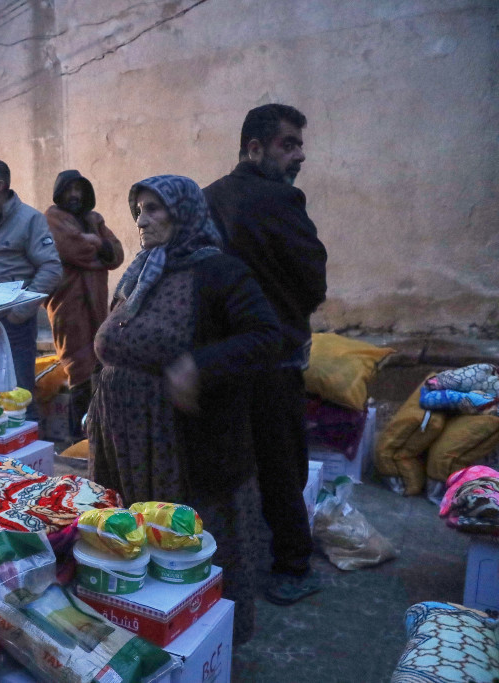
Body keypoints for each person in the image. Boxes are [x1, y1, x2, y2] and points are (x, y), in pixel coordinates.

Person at [88, 175, 281, 644]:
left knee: (186, 536)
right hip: (124, 434)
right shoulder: (142, 270)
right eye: (139, 210)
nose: (142, 220)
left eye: (155, 209)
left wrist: (199, 365)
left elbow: (267, 337)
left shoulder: (219, 273)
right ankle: (141, 622)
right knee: (132, 530)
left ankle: (205, 638)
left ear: (185, 213)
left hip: (180, 438)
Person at [203, 104, 328, 606]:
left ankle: (233, 557)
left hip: (224, 358)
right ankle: (293, 566)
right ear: (254, 149)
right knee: (282, 466)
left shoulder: (207, 198)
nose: (300, 154)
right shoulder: (280, 200)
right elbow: (313, 279)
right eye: (288, 144)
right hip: (273, 358)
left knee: (232, 462)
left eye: (298, 143)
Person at [0, 159, 62, 416]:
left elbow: (52, 269)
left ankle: (21, 456)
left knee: (18, 399)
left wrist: (20, 312)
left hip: (15, 325)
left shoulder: (30, 219)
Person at [43, 170, 124, 438]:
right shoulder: (52, 218)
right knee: (78, 370)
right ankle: (76, 439)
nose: (74, 195)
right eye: (69, 190)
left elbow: (117, 254)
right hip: (68, 306)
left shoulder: (94, 219)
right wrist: (98, 249)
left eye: (79, 189)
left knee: (99, 368)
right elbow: (72, 249)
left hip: (97, 306)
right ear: (60, 192)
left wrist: (98, 243)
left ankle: (97, 436)